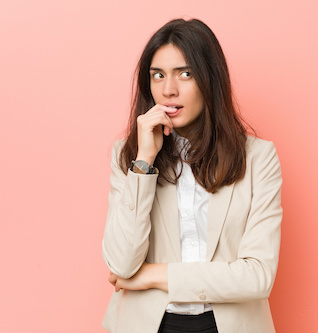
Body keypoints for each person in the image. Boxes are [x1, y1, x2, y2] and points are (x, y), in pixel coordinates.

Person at [101, 18, 282, 333]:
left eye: (185, 73)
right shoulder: (129, 155)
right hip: (148, 324)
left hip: (230, 325)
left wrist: (154, 275)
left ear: (209, 79)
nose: (169, 90)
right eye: (158, 75)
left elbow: (257, 276)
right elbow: (121, 264)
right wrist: (144, 161)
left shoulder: (257, 158)